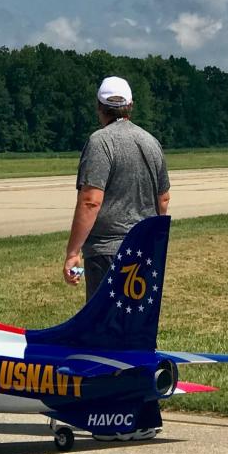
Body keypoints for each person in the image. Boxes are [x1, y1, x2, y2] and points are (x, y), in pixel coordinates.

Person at [63, 75, 171, 304]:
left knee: (105, 329)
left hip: (107, 252)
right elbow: (163, 199)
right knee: (133, 325)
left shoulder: (100, 142)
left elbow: (91, 201)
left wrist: (73, 252)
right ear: (130, 106)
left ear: (99, 107)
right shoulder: (151, 142)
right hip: (144, 250)